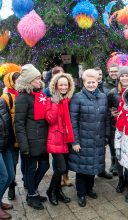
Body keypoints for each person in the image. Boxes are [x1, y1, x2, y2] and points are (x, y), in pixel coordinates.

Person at [69, 69, 110, 207]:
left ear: (98, 82)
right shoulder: (77, 98)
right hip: (82, 140)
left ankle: (89, 189)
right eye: (88, 82)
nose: (91, 84)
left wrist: (106, 136)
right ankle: (81, 193)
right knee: (82, 169)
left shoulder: (103, 97)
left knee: (93, 166)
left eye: (94, 82)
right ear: (84, 82)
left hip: (97, 139)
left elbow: (106, 119)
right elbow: (72, 121)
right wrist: (75, 141)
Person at [15, 64, 50, 210]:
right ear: (29, 81)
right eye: (36, 78)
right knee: (30, 169)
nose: (39, 80)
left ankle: (32, 192)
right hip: (31, 141)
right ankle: (32, 195)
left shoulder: (40, 94)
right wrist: (24, 145)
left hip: (42, 139)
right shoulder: (23, 97)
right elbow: (19, 123)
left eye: (39, 77)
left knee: (45, 165)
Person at [46, 73, 75, 206]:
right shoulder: (52, 100)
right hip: (55, 138)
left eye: (65, 85)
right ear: (56, 86)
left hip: (67, 138)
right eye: (61, 85)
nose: (63, 87)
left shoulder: (69, 99)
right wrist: (56, 103)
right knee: (61, 167)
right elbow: (50, 119)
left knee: (64, 167)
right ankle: (51, 191)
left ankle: (58, 191)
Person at [107, 66, 128, 192]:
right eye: (122, 76)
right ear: (119, 77)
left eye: (126, 75)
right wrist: (111, 111)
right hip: (116, 129)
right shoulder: (112, 93)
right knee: (119, 156)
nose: (124, 78)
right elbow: (107, 107)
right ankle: (121, 180)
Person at [1, 69, 21, 200]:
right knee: (12, 165)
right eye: (17, 81)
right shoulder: (6, 97)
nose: (19, 83)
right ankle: (12, 187)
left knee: (19, 163)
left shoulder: (23, 94)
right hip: (12, 138)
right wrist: (12, 139)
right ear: (11, 82)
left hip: (22, 136)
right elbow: (6, 121)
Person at [93, 67, 113, 179]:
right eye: (96, 74)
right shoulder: (89, 85)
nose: (99, 76)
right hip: (93, 122)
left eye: (100, 74)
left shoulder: (105, 86)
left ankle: (101, 170)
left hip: (105, 120)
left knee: (103, 149)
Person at [0, 98, 15, 220]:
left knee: (10, 176)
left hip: (6, 145)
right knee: (3, 176)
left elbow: (9, 122)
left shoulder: (2, 101)